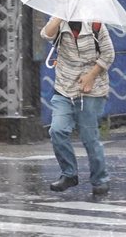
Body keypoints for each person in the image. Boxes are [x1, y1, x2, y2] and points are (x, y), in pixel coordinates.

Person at [41, 18, 115, 194]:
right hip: (64, 88)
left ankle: (100, 179)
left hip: (92, 89)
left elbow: (108, 54)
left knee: (89, 137)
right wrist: (59, 16)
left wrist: (91, 76)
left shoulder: (96, 25)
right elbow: (45, 34)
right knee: (57, 130)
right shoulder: (59, 22)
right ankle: (69, 174)